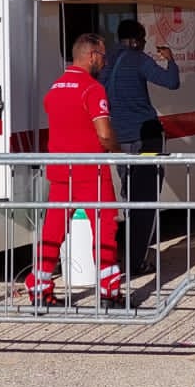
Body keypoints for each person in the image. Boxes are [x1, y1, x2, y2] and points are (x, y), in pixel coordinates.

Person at [29, 34, 123, 306]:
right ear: (92, 55)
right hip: (91, 171)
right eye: (103, 56)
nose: (104, 62)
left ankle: (39, 287)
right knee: (104, 230)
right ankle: (109, 291)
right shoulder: (92, 89)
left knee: (53, 230)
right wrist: (117, 149)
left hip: (60, 170)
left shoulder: (55, 89)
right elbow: (104, 134)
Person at [105, 18, 180, 277]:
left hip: (118, 139)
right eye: (144, 40)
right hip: (144, 137)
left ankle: (125, 251)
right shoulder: (139, 59)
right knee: (145, 199)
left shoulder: (106, 61)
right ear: (136, 40)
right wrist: (170, 59)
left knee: (129, 198)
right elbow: (171, 82)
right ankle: (136, 259)